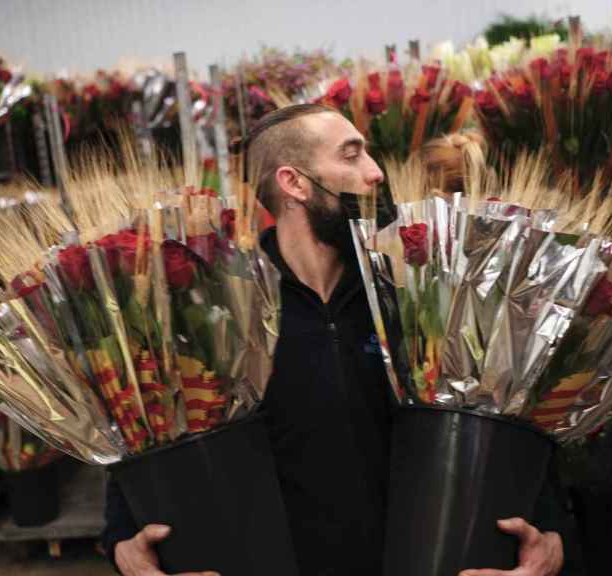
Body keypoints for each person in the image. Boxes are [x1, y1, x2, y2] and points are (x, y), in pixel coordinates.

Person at [104, 103, 564, 576]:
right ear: (294, 183)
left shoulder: (416, 287)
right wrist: (122, 540)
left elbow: (501, 417)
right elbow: (152, 430)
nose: (377, 173)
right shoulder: (219, 303)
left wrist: (551, 531)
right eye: (351, 156)